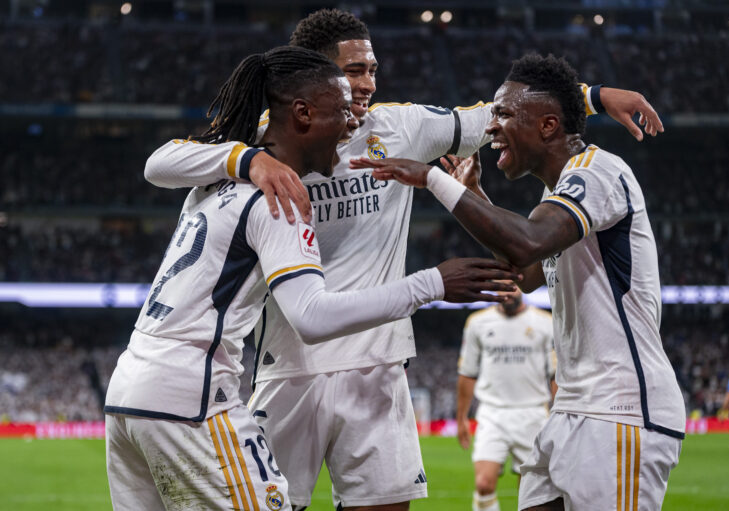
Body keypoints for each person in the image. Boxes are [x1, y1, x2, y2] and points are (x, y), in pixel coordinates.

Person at [143, 9, 666, 510]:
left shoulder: (403, 126)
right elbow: (163, 161)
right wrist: (249, 158)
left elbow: (505, 116)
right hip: (290, 367)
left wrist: (594, 96)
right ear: (316, 82)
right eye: (353, 72)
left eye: (372, 69)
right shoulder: (273, 135)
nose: (367, 83)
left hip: (378, 366)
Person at [104, 46, 516, 511]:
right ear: (302, 114)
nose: (350, 124)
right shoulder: (280, 198)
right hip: (191, 398)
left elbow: (163, 162)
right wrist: (433, 284)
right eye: (340, 111)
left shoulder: (213, 173)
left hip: (127, 395)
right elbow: (313, 316)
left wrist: (245, 159)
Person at [350, 53, 686, 511]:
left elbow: (528, 243)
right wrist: (472, 194)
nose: (491, 126)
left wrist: (432, 178)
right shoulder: (558, 192)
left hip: (621, 411)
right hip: (571, 409)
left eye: (504, 113)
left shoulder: (599, 172)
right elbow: (525, 275)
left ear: (548, 126)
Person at [456, 284, 556, 511]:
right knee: (483, 484)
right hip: (492, 412)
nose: (506, 293)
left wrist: (558, 413)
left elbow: (555, 374)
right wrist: (461, 416)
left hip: (533, 413)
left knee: (531, 492)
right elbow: (467, 372)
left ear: (522, 287)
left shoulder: (545, 322)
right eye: (500, 289)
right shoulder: (477, 322)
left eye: (511, 287)